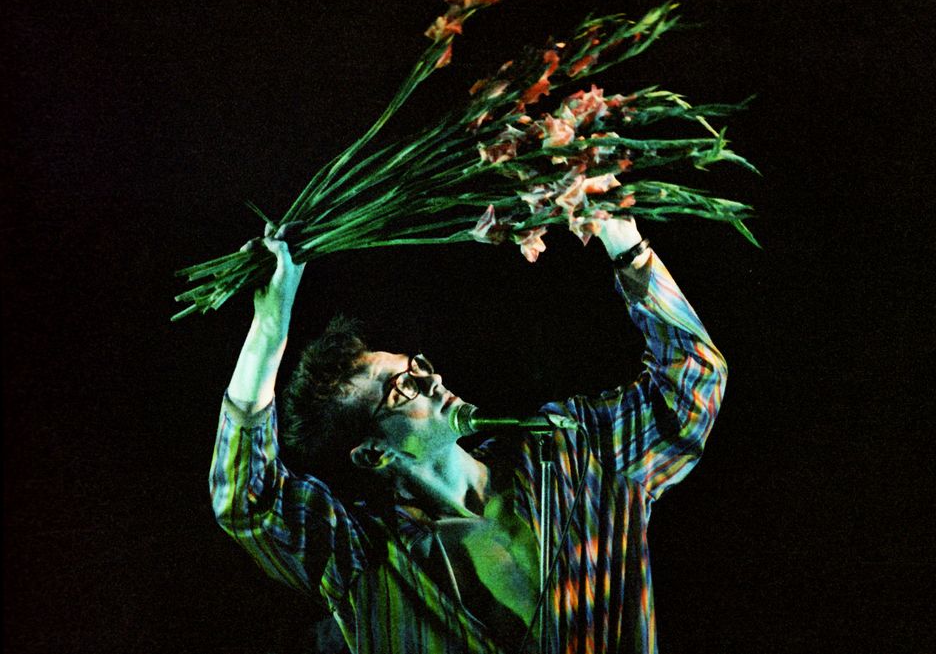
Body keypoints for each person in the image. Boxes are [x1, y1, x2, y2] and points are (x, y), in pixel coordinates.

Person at [210, 217, 727, 654]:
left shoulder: (573, 452)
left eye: (419, 367)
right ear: (371, 454)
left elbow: (693, 382)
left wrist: (621, 238)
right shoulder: (366, 560)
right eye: (402, 388)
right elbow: (245, 500)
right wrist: (270, 330)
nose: (433, 381)